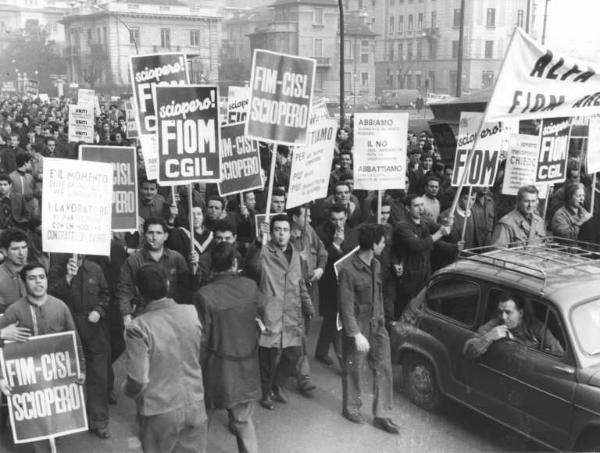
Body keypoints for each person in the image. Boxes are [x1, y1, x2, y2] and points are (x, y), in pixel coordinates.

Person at [0, 263, 85, 453]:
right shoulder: (14, 310)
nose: (38, 282)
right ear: (24, 282)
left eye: (41, 277)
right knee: (38, 431)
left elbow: (74, 340)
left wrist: (80, 368)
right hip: (27, 381)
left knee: (55, 427)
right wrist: (3, 334)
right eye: (32, 278)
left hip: (56, 379)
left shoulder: (60, 307)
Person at [124, 264, 207, 453]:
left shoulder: (138, 327)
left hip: (159, 410)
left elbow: (137, 379)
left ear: (138, 291)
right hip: (195, 402)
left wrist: (127, 390)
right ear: (168, 284)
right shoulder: (191, 312)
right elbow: (200, 350)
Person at [195, 243, 260, 453]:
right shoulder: (250, 287)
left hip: (215, 367)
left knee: (202, 420)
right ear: (234, 263)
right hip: (245, 363)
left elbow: (202, 338)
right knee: (243, 419)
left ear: (212, 265)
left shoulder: (204, 294)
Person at [246, 214, 314, 410]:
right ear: (271, 231)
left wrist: (307, 305)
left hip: (291, 313)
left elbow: (300, 283)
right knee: (267, 355)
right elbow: (250, 267)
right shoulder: (264, 252)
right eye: (277, 229)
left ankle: (277, 385)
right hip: (270, 312)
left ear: (290, 232)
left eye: (285, 230)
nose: (281, 234)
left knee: (294, 353)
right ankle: (266, 392)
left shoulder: (296, 254)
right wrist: (258, 241)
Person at [337, 224, 400, 434]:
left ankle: (380, 415)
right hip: (359, 325)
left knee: (383, 367)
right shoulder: (348, 269)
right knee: (354, 368)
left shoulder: (376, 264)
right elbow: (345, 307)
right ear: (373, 244)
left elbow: (378, 295)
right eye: (383, 241)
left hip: (377, 324)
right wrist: (355, 334)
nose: (385, 245)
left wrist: (382, 320)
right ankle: (351, 408)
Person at [47, 254, 112, 438]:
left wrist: (99, 310)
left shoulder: (95, 269)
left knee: (98, 375)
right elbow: (49, 294)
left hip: (93, 328)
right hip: (67, 326)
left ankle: (98, 421)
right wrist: (67, 278)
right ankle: (61, 422)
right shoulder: (57, 269)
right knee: (63, 372)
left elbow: (106, 294)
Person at [117, 217, 193, 324]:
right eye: (150, 233)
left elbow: (186, 288)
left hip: (171, 313)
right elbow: (125, 290)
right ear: (144, 235)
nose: (154, 237)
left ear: (165, 236)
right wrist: (126, 317)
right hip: (144, 314)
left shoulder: (176, 258)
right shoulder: (134, 260)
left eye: (159, 233)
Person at [288, 205, 326, 395]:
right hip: (293, 293)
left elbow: (323, 252)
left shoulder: (310, 232)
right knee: (300, 332)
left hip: (310, 291)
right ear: (295, 218)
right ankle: (304, 376)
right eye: (306, 216)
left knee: (305, 330)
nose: (309, 220)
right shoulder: (285, 235)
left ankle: (291, 365)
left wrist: (320, 268)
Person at [393, 194, 452, 312]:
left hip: (425, 271)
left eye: (421, 205)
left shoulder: (425, 220)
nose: (421, 209)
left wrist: (449, 224)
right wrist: (439, 234)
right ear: (407, 208)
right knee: (407, 307)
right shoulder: (402, 226)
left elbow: (442, 228)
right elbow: (418, 246)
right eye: (416, 206)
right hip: (409, 274)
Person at [315, 204, 357, 366]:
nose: (338, 223)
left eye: (341, 219)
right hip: (329, 282)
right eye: (334, 219)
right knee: (333, 318)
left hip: (346, 281)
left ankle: (321, 351)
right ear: (329, 219)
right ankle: (343, 360)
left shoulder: (351, 231)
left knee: (332, 319)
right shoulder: (320, 232)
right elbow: (322, 259)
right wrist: (336, 245)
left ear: (346, 216)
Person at [463, 294, 564, 359]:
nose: (503, 317)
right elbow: (468, 351)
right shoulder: (494, 325)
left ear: (520, 313)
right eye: (500, 312)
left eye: (508, 312)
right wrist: (488, 337)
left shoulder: (536, 328)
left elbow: (559, 352)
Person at [0, 229, 28, 313]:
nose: (21, 253)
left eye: (24, 247)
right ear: (4, 252)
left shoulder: (34, 271)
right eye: (15, 249)